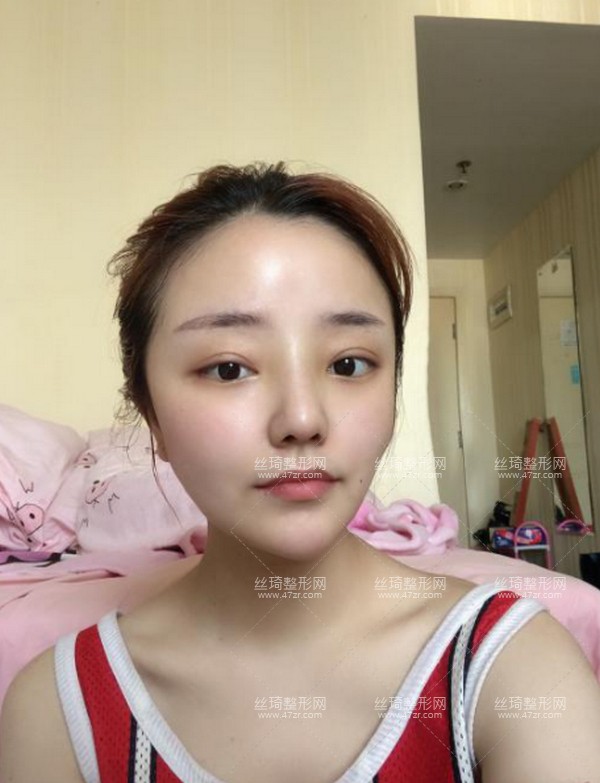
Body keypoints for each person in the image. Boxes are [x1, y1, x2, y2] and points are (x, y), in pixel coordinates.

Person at [1, 162, 600, 783]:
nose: (303, 419)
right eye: (229, 368)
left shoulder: (513, 666)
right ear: (151, 413)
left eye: (348, 364)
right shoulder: (59, 709)